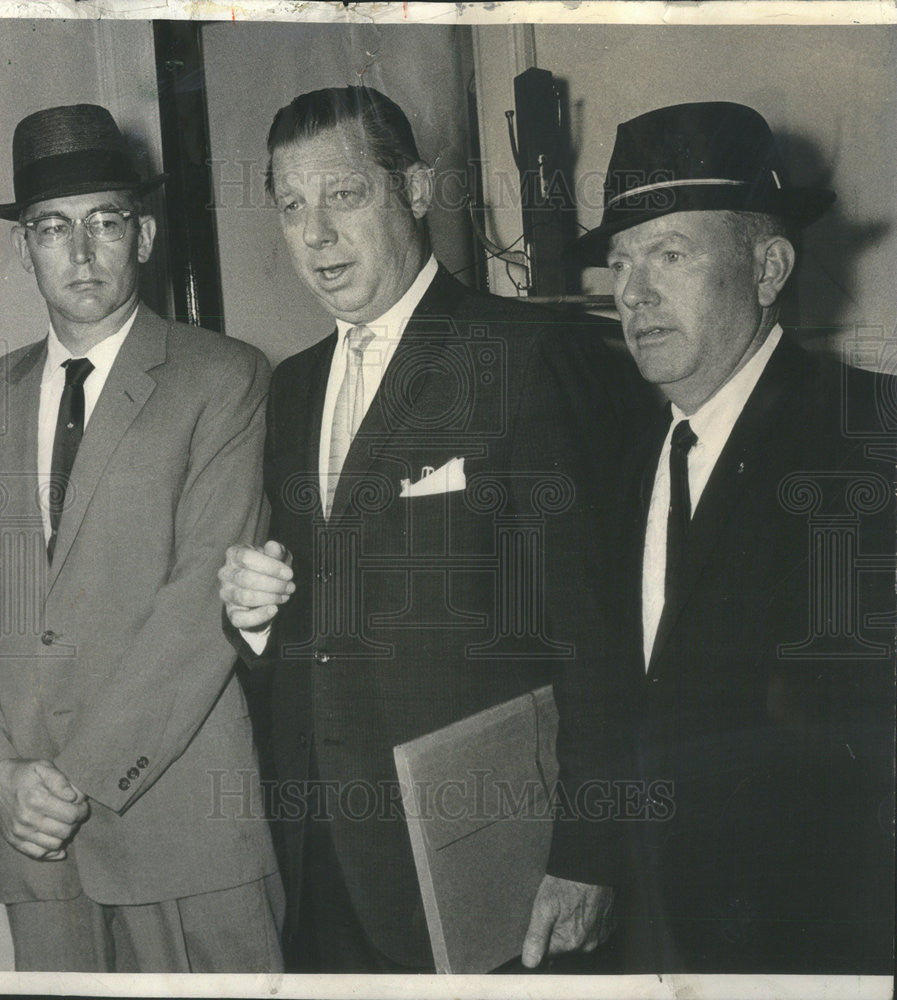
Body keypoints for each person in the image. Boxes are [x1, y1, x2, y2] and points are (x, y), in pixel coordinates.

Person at [218, 85, 644, 972]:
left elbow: (599, 636)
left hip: (493, 866)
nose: (316, 236)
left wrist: (589, 856)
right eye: (292, 207)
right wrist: (255, 620)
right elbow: (317, 629)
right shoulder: (291, 388)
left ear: (413, 191)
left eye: (343, 196)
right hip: (327, 868)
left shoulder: (526, 357)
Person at [531, 101, 895, 973]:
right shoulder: (627, 456)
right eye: (620, 263)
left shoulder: (868, 436)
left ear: (768, 265)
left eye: (669, 255)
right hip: (654, 932)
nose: (632, 294)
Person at [0, 103, 284, 973]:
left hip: (181, 831)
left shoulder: (223, 378)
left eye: (104, 221)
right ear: (23, 246)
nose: (80, 251)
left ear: (141, 235)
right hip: (32, 846)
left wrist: (75, 782)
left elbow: (201, 605)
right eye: (52, 227)